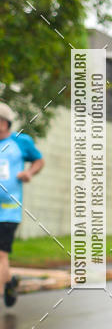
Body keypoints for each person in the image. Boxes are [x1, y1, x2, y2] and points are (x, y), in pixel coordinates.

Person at [0, 103, 44, 306]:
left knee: (1, 254)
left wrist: (29, 173)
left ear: (6, 122)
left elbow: (38, 160)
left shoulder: (20, 142)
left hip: (8, 211)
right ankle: (10, 283)